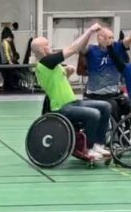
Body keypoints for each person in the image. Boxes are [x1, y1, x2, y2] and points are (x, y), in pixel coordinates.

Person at [31, 24, 112, 160]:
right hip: (62, 107)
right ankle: (87, 147)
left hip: (73, 102)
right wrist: (90, 31)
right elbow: (74, 48)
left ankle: (99, 144)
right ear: (42, 49)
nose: (50, 46)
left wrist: (67, 73)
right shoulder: (45, 62)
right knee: (94, 114)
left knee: (105, 106)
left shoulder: (52, 66)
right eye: (48, 44)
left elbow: (57, 83)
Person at [80, 15, 131, 121]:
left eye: (112, 37)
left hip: (114, 94)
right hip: (96, 95)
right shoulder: (92, 49)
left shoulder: (117, 47)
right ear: (100, 38)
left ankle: (130, 131)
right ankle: (116, 135)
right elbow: (81, 48)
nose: (111, 40)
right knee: (114, 107)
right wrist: (90, 32)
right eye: (109, 37)